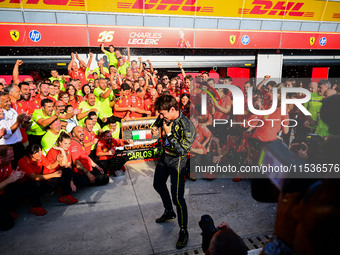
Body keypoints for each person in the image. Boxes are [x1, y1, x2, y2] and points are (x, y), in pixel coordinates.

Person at [151, 94, 196, 249]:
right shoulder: (164, 116)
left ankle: (184, 230)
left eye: (163, 113)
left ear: (172, 109)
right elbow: (158, 121)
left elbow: (183, 150)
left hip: (178, 161)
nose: (161, 116)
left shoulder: (187, 125)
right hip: (165, 157)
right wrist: (155, 127)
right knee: (157, 184)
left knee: (178, 198)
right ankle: (169, 211)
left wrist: (169, 133)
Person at [0, 145, 25, 230]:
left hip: (3, 192)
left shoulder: (7, 163)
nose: (13, 159)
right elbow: (8, 180)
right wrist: (10, 179)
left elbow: (9, 176)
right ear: (1, 158)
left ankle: (9, 209)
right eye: (10, 157)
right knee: (7, 225)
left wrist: (17, 175)